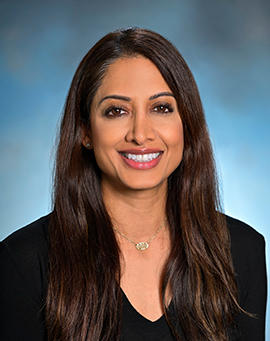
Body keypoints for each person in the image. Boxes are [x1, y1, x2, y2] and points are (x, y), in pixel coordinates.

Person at [0, 28, 267, 341]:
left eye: (161, 108)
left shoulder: (242, 250)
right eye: (117, 111)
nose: (140, 133)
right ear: (85, 131)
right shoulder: (22, 263)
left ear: (186, 124)